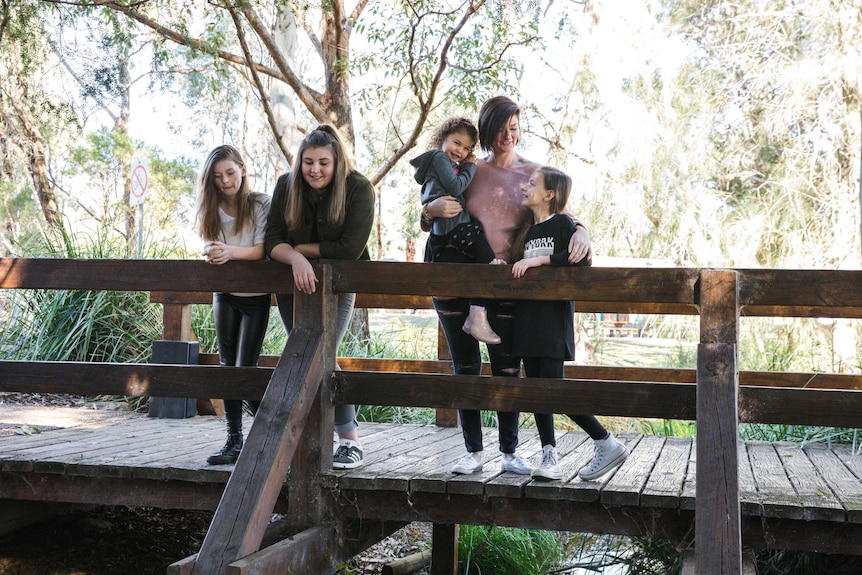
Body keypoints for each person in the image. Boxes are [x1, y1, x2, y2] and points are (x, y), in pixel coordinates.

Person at [421, 95, 592, 476]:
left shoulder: (534, 172)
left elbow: (561, 212)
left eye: (514, 128)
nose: (508, 136)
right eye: (501, 129)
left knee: (507, 370)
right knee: (465, 365)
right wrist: (426, 211)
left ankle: (510, 452)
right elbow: (435, 211)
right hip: (463, 281)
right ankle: (472, 451)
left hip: (510, 285)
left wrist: (582, 230)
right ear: (487, 131)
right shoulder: (468, 170)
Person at [264, 124, 374, 469]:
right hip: (292, 285)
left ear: (336, 160)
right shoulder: (286, 185)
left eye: (323, 162)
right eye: (308, 162)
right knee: (302, 354)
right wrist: (296, 257)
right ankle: (311, 438)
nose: (315, 170)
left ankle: (349, 441)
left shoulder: (358, 188)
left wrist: (300, 248)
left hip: (338, 286)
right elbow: (272, 241)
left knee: (324, 354)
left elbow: (350, 248)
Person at [510, 166, 629, 481]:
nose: (526, 187)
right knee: (537, 391)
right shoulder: (525, 231)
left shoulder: (563, 224)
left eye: (533, 184)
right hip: (527, 322)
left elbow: (580, 259)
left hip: (552, 324)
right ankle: (549, 455)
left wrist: (539, 260)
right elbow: (514, 263)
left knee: (555, 390)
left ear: (549, 194)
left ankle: (606, 441)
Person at [196, 145, 272, 466]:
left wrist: (228, 252)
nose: (225, 181)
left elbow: (260, 250)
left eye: (229, 172)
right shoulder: (210, 207)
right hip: (224, 294)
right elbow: (210, 243)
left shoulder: (260, 204)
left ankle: (271, 429)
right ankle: (233, 440)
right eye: (217, 176)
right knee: (228, 367)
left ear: (242, 169)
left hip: (256, 298)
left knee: (246, 368)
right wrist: (212, 250)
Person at [410, 117, 500, 344]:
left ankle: (476, 314)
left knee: (486, 258)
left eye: (467, 148)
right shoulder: (440, 159)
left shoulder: (444, 163)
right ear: (442, 139)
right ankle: (476, 315)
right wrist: (471, 165)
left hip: (451, 232)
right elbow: (456, 186)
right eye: (457, 143)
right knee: (487, 258)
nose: (461, 150)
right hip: (453, 231)